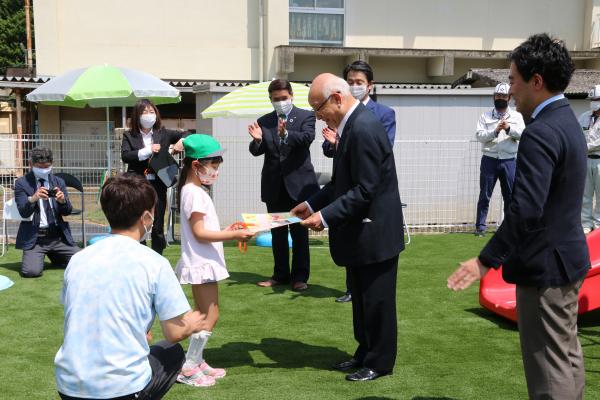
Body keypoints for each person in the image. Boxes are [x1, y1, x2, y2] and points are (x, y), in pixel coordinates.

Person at [448, 34, 590, 400]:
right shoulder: (568, 121)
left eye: (513, 80)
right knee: (566, 356)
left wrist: (485, 260)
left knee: (549, 367)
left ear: (536, 81)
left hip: (546, 270)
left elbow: (526, 208)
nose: (509, 91)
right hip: (567, 262)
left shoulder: (541, 132)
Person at [54, 173, 208, 400]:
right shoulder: (154, 262)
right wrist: (192, 323)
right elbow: (174, 333)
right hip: (123, 389)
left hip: (68, 385)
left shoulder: (79, 258)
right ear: (146, 217)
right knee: (172, 352)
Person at [292, 73, 404, 381]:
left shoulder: (364, 129)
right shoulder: (352, 126)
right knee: (362, 298)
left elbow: (365, 189)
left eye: (318, 108)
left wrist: (325, 216)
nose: (317, 116)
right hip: (360, 232)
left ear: (337, 99)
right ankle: (364, 351)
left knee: (377, 301)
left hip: (374, 232)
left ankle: (380, 362)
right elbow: (343, 183)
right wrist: (313, 204)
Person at [175, 134, 254, 387]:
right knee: (210, 316)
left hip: (200, 261)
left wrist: (228, 229)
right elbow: (200, 232)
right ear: (196, 165)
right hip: (201, 263)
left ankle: (196, 361)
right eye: (214, 165)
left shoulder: (192, 190)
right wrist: (235, 234)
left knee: (202, 314)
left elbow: (203, 228)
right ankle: (189, 366)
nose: (216, 171)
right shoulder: (194, 193)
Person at [323, 60, 397, 303]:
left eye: (359, 82)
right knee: (363, 307)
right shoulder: (345, 119)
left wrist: (323, 216)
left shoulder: (368, 122)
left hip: (372, 221)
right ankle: (350, 290)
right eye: (350, 82)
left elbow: (368, 179)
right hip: (352, 213)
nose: (317, 115)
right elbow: (335, 167)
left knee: (375, 309)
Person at [248, 79, 319, 291]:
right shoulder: (264, 120)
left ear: (291, 96)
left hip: (300, 186)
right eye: (276, 99)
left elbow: (307, 138)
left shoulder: (306, 116)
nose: (280, 102)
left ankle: (299, 277)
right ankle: (280, 275)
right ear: (270, 100)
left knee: (299, 233)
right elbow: (256, 150)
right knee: (277, 234)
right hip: (274, 186)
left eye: (284, 98)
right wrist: (258, 140)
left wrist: (286, 134)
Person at [121, 98, 184, 255]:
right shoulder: (129, 135)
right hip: (137, 184)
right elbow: (126, 156)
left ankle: (158, 256)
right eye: (144, 112)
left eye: (151, 112)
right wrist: (148, 150)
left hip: (158, 183)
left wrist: (181, 141)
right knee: (137, 219)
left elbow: (187, 134)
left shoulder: (163, 133)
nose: (149, 115)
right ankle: (140, 253)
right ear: (137, 116)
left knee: (157, 223)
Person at [14, 147, 79, 278]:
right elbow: (23, 212)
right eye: (40, 166)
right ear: (30, 164)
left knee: (83, 261)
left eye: (47, 166)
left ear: (52, 163)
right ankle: (39, 255)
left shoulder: (58, 181)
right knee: (31, 272)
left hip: (57, 236)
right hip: (35, 238)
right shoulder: (21, 183)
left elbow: (67, 211)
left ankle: (55, 255)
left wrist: (62, 201)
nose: (44, 169)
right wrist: (33, 198)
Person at [474, 82, 525, 237]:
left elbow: (523, 134)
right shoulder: (485, 116)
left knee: (510, 195)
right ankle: (480, 227)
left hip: (509, 160)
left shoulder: (517, 116)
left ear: (509, 97)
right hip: (489, 159)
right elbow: (479, 135)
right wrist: (495, 132)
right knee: (485, 195)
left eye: (504, 96)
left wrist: (509, 129)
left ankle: (509, 228)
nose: (501, 98)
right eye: (498, 96)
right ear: (493, 97)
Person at [578, 84, 600, 234]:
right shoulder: (584, 116)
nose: (593, 101)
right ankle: (585, 224)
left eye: (596, 99)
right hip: (585, 160)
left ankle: (598, 225)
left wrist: (585, 146)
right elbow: (577, 134)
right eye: (591, 99)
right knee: (585, 194)